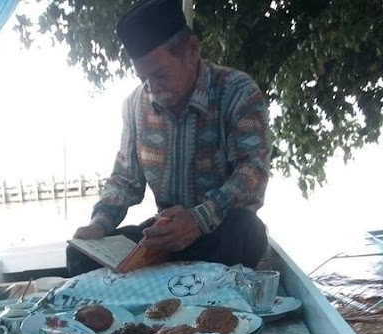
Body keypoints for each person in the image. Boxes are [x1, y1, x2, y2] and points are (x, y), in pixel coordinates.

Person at [67, 0, 273, 277]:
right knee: (80, 253)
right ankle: (160, 288)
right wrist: (99, 224)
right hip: (163, 240)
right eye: (143, 78)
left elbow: (253, 173)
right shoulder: (135, 106)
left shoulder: (238, 92)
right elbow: (126, 180)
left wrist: (199, 219)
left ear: (191, 51)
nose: (152, 88)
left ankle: (169, 285)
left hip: (216, 232)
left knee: (247, 231)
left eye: (160, 75)